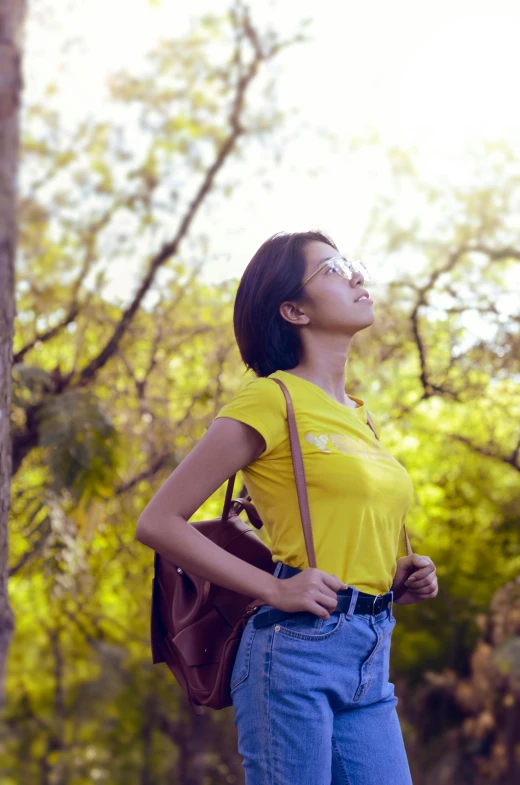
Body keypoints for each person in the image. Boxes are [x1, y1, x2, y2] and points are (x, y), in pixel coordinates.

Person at [136, 230, 438, 785]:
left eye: (350, 263)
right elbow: (157, 521)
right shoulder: (270, 399)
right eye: (331, 269)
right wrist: (276, 589)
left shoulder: (360, 415)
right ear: (293, 310)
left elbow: (341, 528)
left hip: (371, 654)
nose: (355, 275)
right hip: (294, 652)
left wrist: (397, 577)